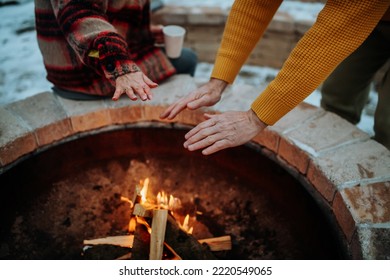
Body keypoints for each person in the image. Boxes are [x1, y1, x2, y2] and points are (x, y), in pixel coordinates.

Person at [160, 0, 390, 154]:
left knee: (387, 124)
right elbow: (255, 4)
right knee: (339, 93)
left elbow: (332, 36)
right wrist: (218, 80)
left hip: (362, 10)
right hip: (368, 17)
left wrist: (256, 118)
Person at [34, 0, 197, 101]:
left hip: (92, 52)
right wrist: (119, 66)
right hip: (84, 63)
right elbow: (81, 15)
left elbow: (108, 13)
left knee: (187, 57)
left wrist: (143, 33)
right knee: (187, 60)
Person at [320, 22, 390, 149]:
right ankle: (328, 149)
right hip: (375, 16)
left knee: (387, 123)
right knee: (338, 91)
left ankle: (378, 164)